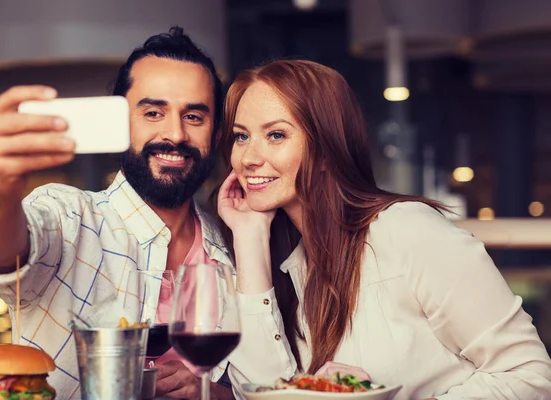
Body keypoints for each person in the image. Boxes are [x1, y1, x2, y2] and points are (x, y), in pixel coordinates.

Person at [217, 59, 551, 399]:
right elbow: (262, 392)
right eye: (241, 136)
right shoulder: (292, 263)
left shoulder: (406, 230)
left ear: (325, 150)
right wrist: (249, 237)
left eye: (276, 135)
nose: (248, 157)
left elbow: (530, 376)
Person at [0, 27, 235, 400]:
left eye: (194, 117)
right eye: (153, 112)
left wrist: (213, 393)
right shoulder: (70, 217)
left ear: (216, 134)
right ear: (120, 120)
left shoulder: (235, 246)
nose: (175, 134)